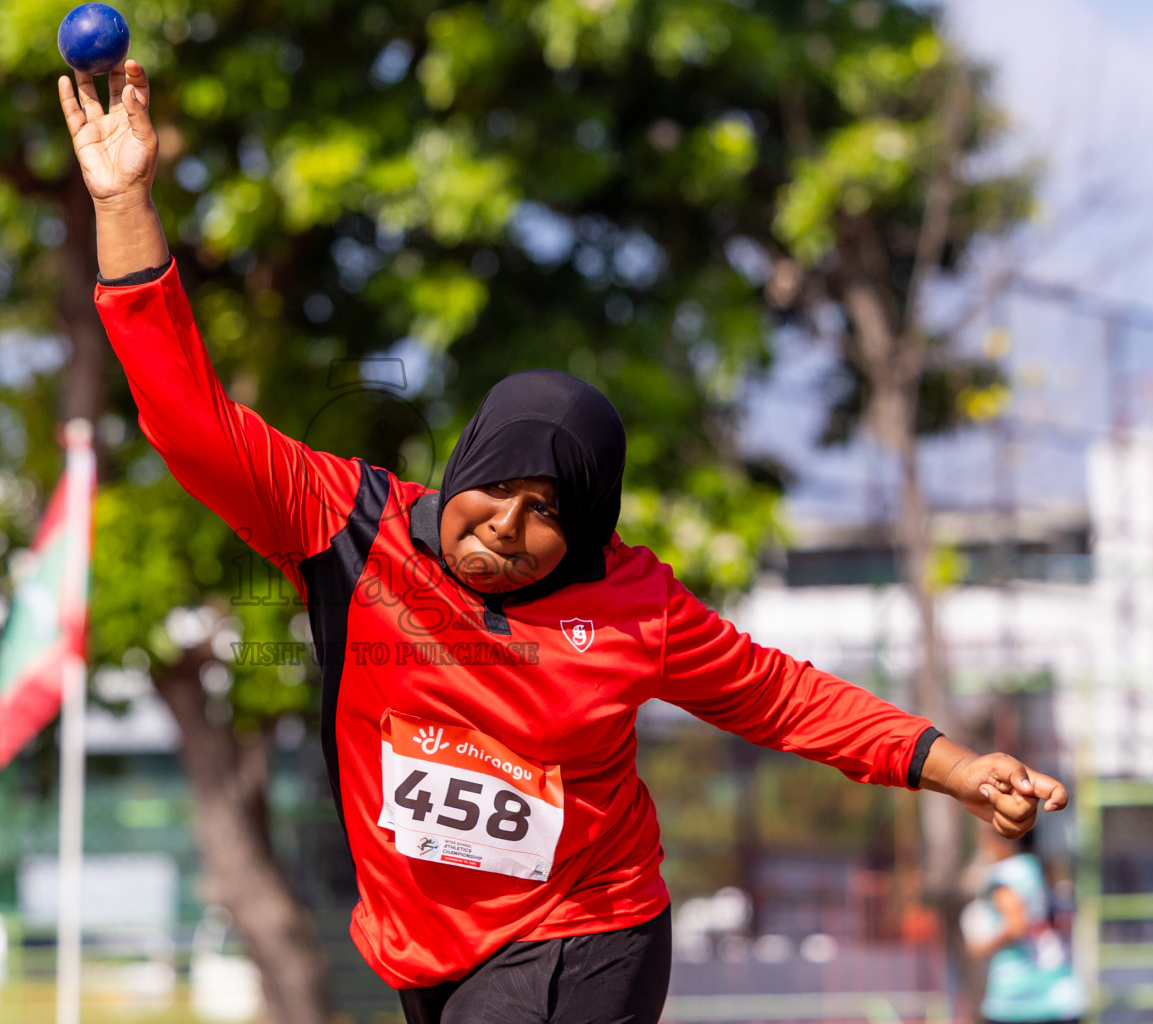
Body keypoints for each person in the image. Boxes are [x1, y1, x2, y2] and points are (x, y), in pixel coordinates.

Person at [58, 61, 1071, 1024]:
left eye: (547, 510)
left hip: (586, 931)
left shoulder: (635, 604)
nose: (508, 524)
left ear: (584, 525)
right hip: (427, 949)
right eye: (496, 487)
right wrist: (123, 204)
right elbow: (188, 419)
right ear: (460, 467)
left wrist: (954, 767)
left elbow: (781, 698)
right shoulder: (350, 526)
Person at [963, 825, 1086, 1024]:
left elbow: (1016, 926)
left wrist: (981, 946)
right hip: (1060, 995)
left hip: (1016, 999)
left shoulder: (1007, 875)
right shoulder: (1042, 869)